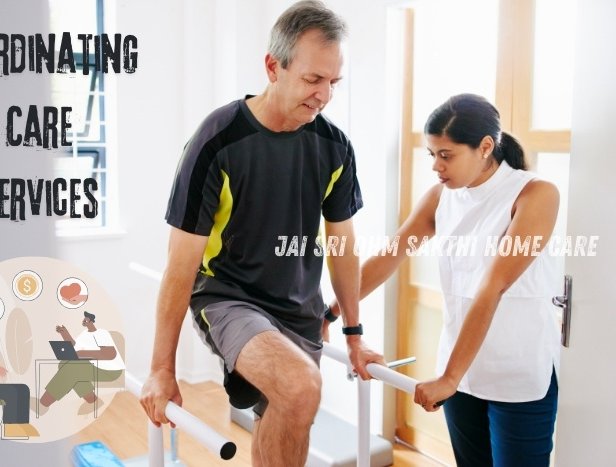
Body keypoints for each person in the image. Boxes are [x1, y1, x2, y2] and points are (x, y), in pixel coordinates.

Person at [139, 1, 384, 465]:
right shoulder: (219, 139)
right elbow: (181, 262)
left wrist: (353, 333)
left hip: (298, 307)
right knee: (301, 386)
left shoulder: (333, 147)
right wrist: (161, 369)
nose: (325, 95)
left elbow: (343, 246)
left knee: (288, 411)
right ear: (273, 66)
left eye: (334, 82)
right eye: (314, 79)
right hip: (228, 296)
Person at [323, 93, 560, 467]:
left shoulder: (534, 194)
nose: (435, 166)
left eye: (445, 155)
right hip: (461, 372)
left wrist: (448, 377)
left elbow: (493, 286)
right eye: (431, 154)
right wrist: (331, 313)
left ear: (485, 147)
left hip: (516, 373)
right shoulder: (441, 197)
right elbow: (390, 257)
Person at [38, 311, 124, 415]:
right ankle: (92, 401)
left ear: (92, 321)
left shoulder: (101, 333)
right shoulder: (85, 334)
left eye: (86, 319)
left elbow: (110, 355)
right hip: (94, 364)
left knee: (72, 369)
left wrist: (82, 353)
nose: (83, 321)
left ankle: (43, 404)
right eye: (83, 319)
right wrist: (64, 334)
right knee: (63, 363)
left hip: (110, 369)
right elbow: (75, 347)